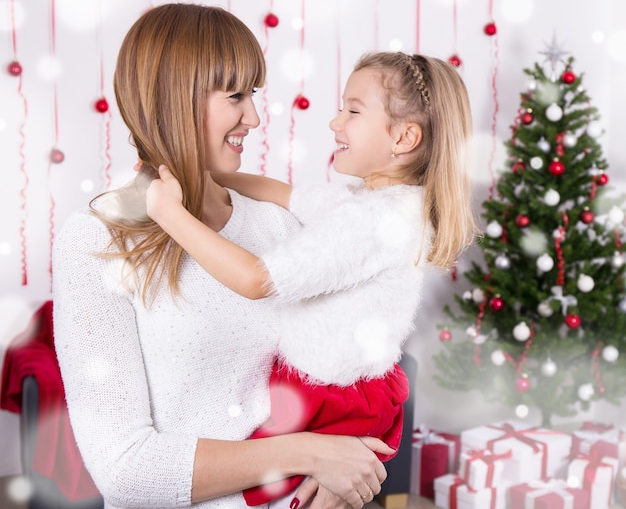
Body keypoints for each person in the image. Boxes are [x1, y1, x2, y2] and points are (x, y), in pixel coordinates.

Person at [52, 3, 393, 509]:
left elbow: (355, 367)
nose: (253, 118)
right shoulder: (98, 242)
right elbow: (124, 470)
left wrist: (348, 474)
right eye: (235, 95)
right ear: (172, 98)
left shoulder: (276, 223)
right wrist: (309, 454)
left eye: (253, 94)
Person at [145, 51, 478, 506]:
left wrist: (169, 213)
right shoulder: (371, 204)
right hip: (340, 390)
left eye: (353, 111)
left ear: (404, 137)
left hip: (334, 401)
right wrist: (208, 176)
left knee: (249, 487)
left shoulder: (375, 223)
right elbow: (284, 194)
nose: (335, 122)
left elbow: (256, 279)